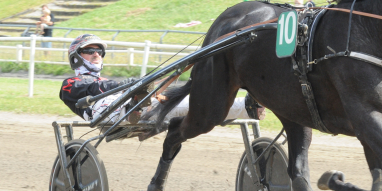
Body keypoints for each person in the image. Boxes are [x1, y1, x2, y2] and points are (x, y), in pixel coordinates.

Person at [59, 34, 263, 125]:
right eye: (90, 51)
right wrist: (125, 85)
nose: (97, 54)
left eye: (99, 51)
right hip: (103, 113)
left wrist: (140, 88)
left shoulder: (105, 80)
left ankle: (246, 107)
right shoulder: (69, 84)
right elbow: (93, 89)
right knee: (109, 102)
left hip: (140, 106)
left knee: (186, 104)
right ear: (76, 57)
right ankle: (134, 105)